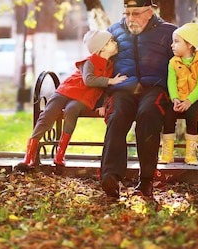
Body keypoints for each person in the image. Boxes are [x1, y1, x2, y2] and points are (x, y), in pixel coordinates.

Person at [100, 0, 176, 199]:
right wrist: (100, 97)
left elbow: (187, 65)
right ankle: (110, 177)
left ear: (149, 12)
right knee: (116, 116)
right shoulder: (113, 32)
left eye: (135, 14)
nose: (130, 19)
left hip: (155, 88)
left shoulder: (169, 33)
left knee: (148, 114)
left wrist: (193, 97)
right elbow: (99, 65)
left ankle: (146, 180)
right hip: (122, 89)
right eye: (127, 14)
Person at [16, 29, 127, 171]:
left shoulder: (110, 66)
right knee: (47, 116)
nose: (115, 43)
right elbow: (89, 80)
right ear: (103, 47)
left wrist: (103, 104)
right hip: (67, 91)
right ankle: (29, 156)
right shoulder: (90, 62)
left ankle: (60, 154)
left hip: (84, 99)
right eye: (111, 41)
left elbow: (106, 90)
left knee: (72, 110)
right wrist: (111, 81)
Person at [159, 22, 198, 166]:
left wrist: (189, 101)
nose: (172, 45)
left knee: (192, 113)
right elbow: (171, 83)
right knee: (169, 113)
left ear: (189, 44)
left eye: (176, 41)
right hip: (179, 96)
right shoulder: (173, 62)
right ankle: (167, 153)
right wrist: (175, 99)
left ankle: (191, 154)